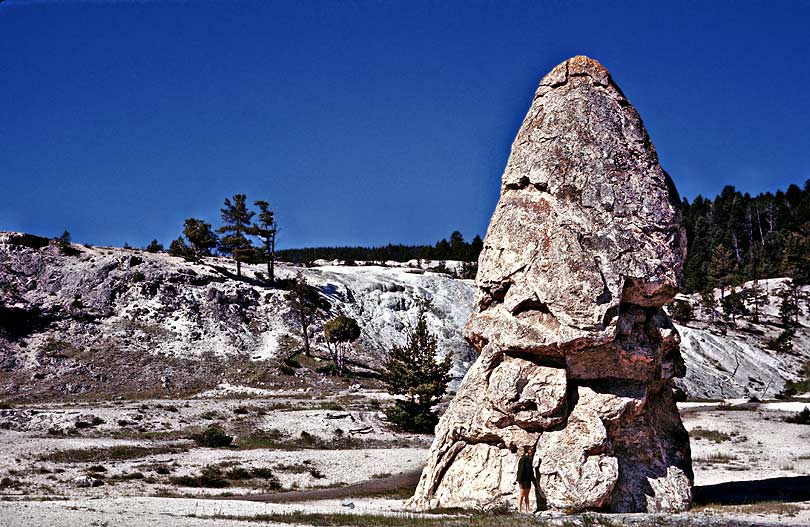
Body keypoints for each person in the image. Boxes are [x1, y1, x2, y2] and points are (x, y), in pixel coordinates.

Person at [515, 445, 535, 512]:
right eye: (530, 449)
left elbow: (531, 470)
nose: (531, 450)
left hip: (528, 479)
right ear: (527, 450)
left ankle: (528, 509)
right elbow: (520, 470)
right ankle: (519, 509)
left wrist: (533, 479)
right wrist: (519, 480)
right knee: (521, 494)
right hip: (523, 479)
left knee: (527, 494)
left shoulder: (529, 459)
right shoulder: (523, 459)